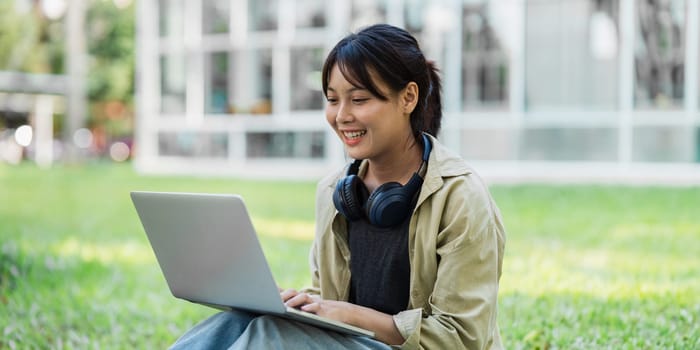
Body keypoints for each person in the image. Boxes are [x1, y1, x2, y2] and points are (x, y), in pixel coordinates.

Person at [171, 23, 506, 349]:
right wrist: (298, 305)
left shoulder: (460, 196)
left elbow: (461, 338)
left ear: (408, 97)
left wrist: (349, 315)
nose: (341, 116)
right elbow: (329, 299)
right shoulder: (336, 191)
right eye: (333, 100)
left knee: (270, 337)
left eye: (359, 100)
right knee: (238, 322)